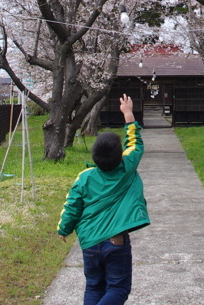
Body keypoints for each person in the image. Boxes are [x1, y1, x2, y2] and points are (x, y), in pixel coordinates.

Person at [57, 95, 149, 305]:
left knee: (94, 286)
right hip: (115, 241)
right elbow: (134, 143)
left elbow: (72, 206)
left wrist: (64, 229)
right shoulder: (127, 167)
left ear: (95, 156)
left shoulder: (85, 177)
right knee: (119, 288)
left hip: (89, 243)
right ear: (119, 155)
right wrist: (128, 114)